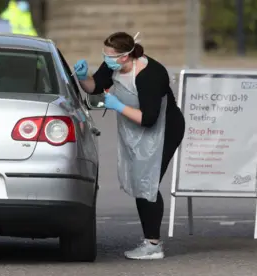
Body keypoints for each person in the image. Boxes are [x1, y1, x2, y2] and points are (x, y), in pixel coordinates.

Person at [73, 31, 185, 260]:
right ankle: (150, 240)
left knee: (147, 182)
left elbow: (149, 118)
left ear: (125, 57)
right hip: (135, 129)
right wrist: (83, 77)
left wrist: (116, 105)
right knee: (139, 179)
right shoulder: (113, 66)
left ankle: (153, 245)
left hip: (163, 129)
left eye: (110, 55)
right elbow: (95, 87)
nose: (106, 58)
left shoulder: (150, 74)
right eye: (104, 54)